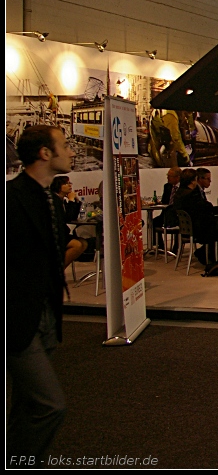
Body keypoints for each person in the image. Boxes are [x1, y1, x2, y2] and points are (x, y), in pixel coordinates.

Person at [7, 125, 75, 462]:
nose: (72, 152)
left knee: (26, 403)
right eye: (64, 146)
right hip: (18, 319)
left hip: (46, 315)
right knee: (51, 406)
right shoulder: (11, 199)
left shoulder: (50, 199)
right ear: (45, 154)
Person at [173, 168, 218, 266]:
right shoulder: (192, 194)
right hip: (201, 229)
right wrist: (217, 208)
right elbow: (205, 207)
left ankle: (209, 253)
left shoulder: (179, 193)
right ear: (192, 181)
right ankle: (210, 254)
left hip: (191, 228)